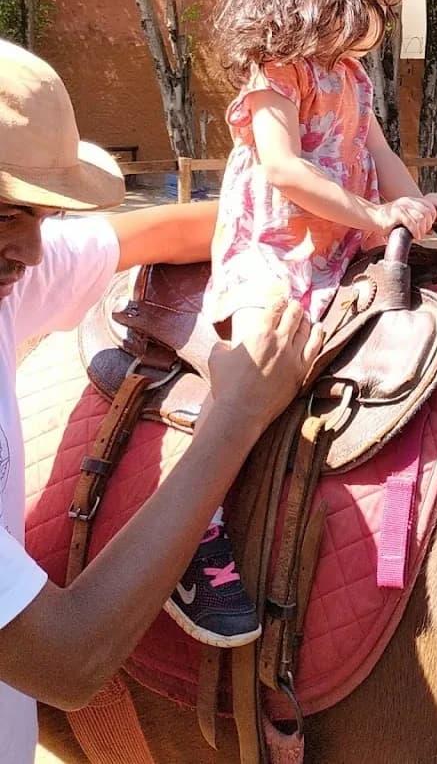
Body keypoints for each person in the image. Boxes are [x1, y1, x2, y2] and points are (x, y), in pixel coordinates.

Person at [0, 39, 322, 764]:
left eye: (39, 215)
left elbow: (157, 233)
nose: (27, 250)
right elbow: (66, 661)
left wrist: (330, 219)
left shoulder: (12, 277)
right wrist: (237, 415)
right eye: (1, 215)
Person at [168, 0, 437, 647]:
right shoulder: (277, 74)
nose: (381, 20)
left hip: (339, 242)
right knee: (256, 358)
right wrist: (372, 215)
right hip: (274, 246)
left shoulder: (352, 76)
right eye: (372, 1)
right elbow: (283, 168)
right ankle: (192, 532)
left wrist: (414, 200)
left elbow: (378, 150)